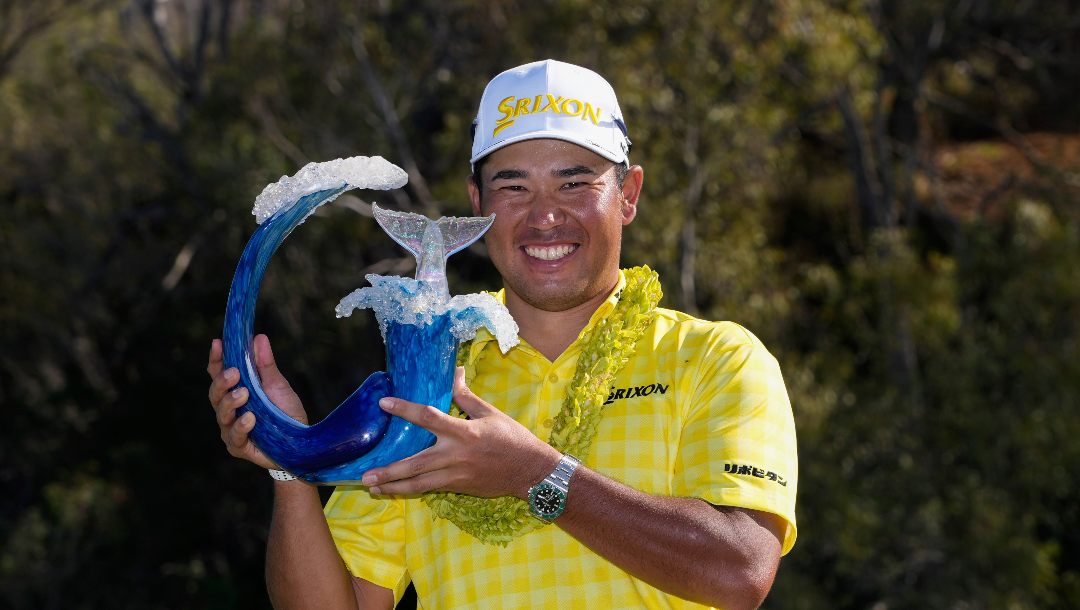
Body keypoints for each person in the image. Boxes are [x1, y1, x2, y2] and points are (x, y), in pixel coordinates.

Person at [207, 59, 797, 609]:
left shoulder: (718, 358)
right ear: (477, 203)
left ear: (629, 195)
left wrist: (536, 474)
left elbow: (740, 569)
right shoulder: (425, 387)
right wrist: (288, 464)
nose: (544, 216)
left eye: (574, 183)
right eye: (513, 186)